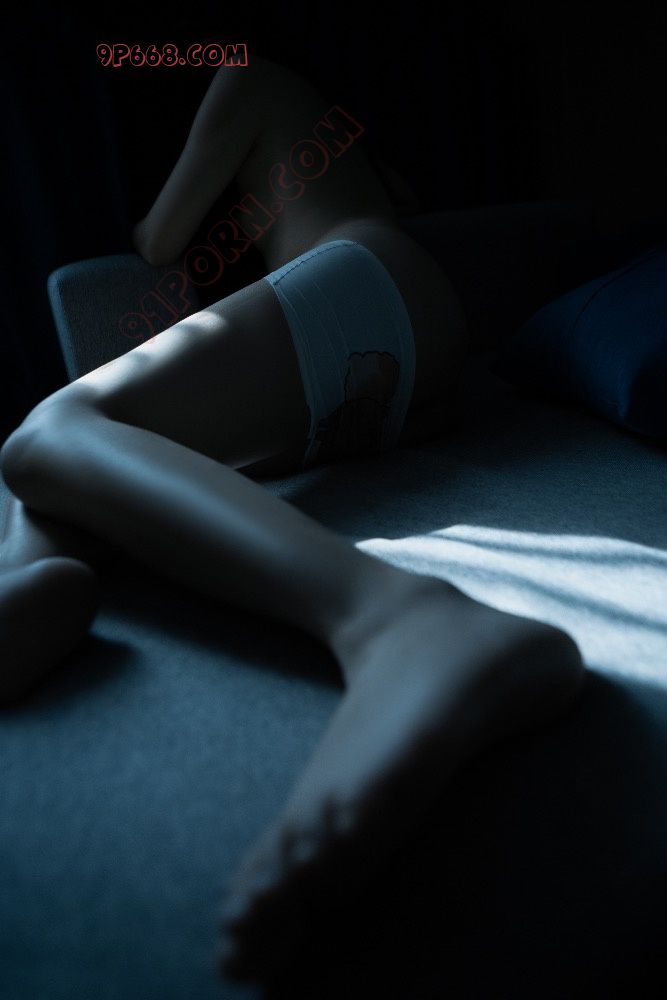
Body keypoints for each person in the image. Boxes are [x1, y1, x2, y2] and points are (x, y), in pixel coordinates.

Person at [0, 55, 584, 980]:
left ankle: (397, 616)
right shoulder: (326, 125)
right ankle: (28, 584)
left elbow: (158, 240)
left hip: (360, 279)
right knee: (80, 475)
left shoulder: (244, 77)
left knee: (46, 434)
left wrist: (208, 215)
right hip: (401, 340)